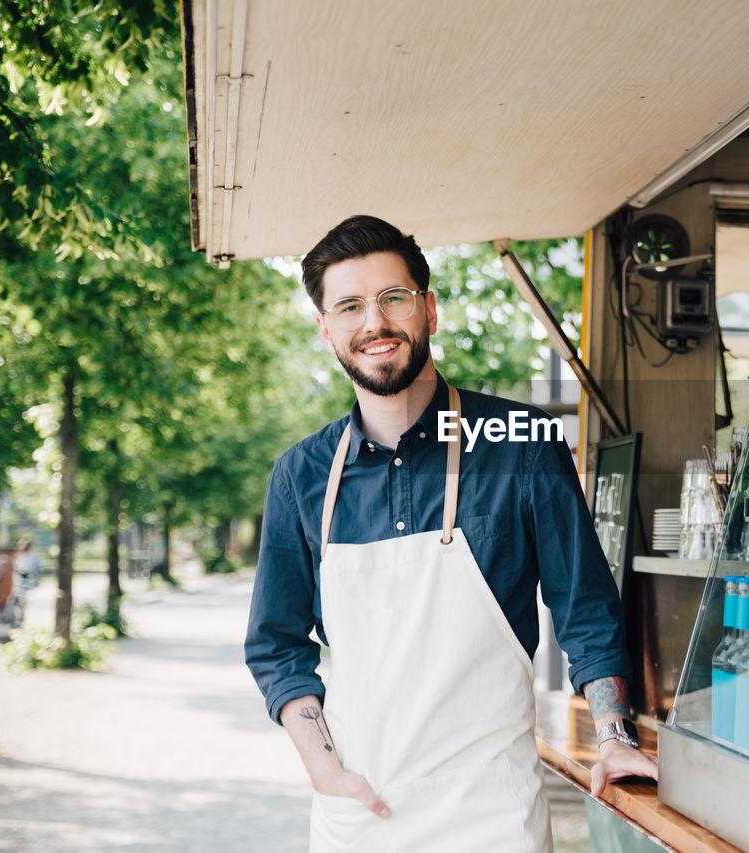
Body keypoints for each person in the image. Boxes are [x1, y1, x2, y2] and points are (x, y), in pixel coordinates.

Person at [245, 215, 658, 851]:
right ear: (326, 328)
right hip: (361, 812)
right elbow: (276, 646)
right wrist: (326, 771)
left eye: (393, 298)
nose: (374, 323)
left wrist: (614, 737)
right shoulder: (300, 475)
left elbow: (587, 610)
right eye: (349, 306)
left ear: (429, 310)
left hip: (493, 812)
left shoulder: (522, 442)